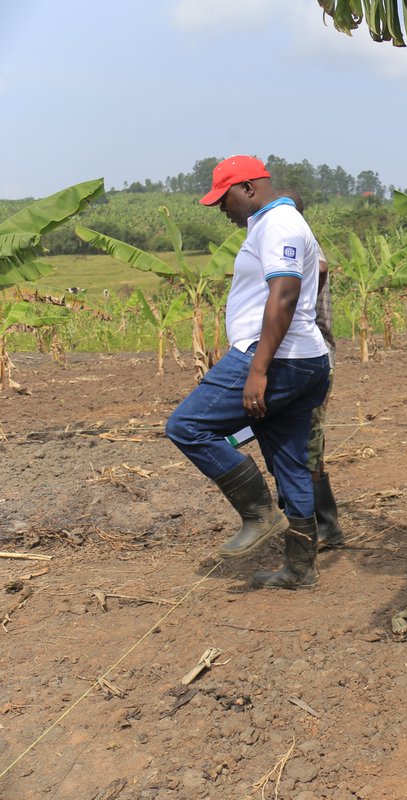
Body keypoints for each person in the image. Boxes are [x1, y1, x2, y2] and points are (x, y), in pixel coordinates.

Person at [165, 156, 330, 589]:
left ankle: (259, 514)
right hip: (303, 358)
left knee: (187, 427)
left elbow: (286, 293)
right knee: (292, 464)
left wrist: (258, 369)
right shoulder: (278, 221)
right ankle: (300, 568)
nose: (223, 210)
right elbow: (320, 271)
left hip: (275, 357)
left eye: (225, 199)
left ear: (250, 190)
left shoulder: (278, 226)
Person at [280, 191, 344, 550]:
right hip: (302, 360)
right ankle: (310, 522)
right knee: (298, 442)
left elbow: (319, 271)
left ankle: (324, 525)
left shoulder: (306, 250)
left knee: (308, 444)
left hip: (312, 362)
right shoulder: (299, 246)